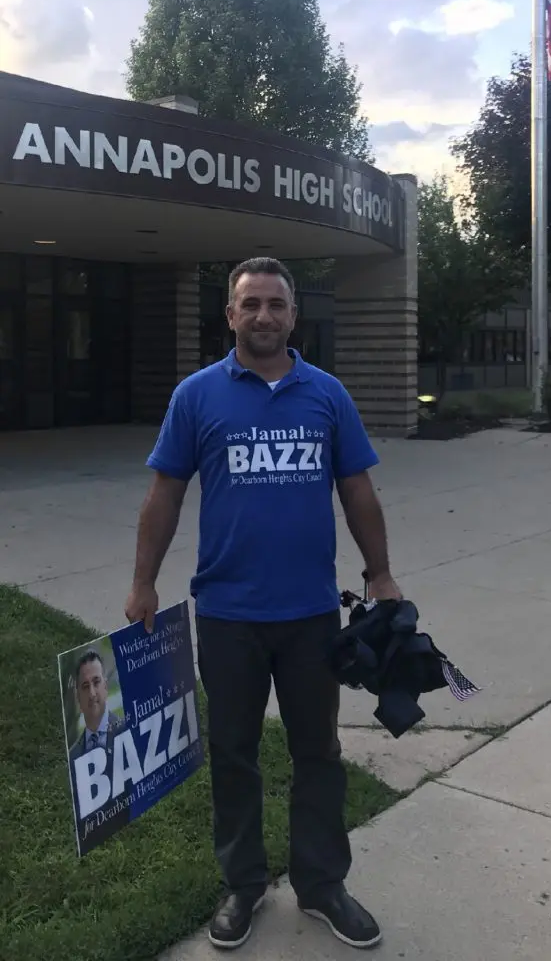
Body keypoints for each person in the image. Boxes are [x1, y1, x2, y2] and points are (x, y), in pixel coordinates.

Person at [125, 257, 401, 951]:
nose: (264, 316)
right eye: (250, 304)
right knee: (235, 754)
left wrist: (382, 574)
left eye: (276, 304)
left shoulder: (328, 395)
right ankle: (243, 885)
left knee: (319, 752)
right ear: (230, 315)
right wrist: (143, 583)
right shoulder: (196, 396)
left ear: (292, 315)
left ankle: (322, 883)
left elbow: (358, 491)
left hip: (309, 614)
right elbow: (165, 494)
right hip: (227, 614)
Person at [69, 651, 124, 761]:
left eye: (96, 682)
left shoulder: (126, 731)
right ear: (78, 697)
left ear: (106, 687)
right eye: (85, 686)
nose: (92, 693)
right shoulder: (72, 757)